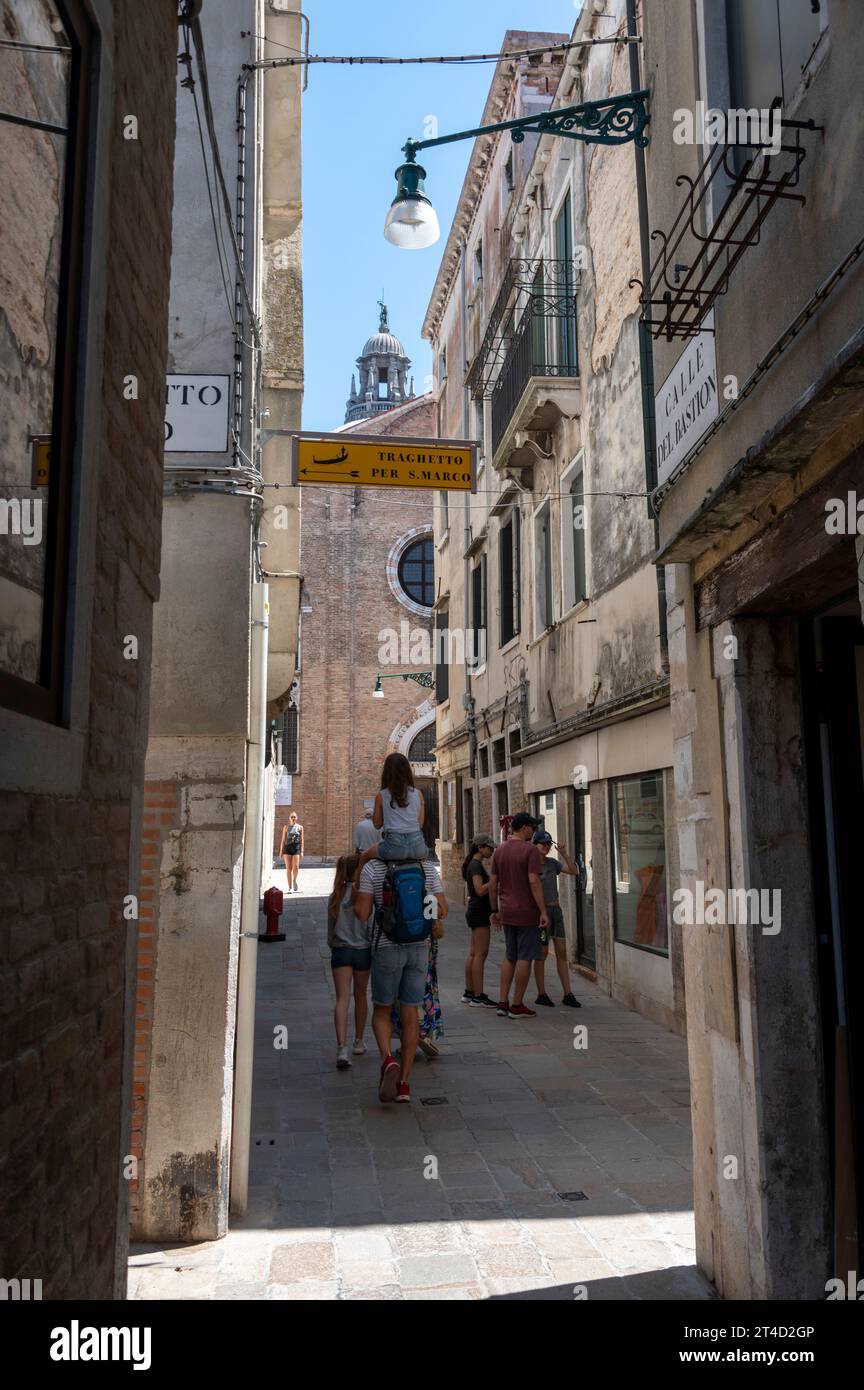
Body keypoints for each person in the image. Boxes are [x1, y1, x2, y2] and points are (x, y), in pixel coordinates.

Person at [354, 853, 448, 1104]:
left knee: (382, 1009)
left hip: (386, 947)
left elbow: (362, 913)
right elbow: (442, 910)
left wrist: (362, 868)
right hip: (419, 948)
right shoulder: (426, 868)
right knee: (410, 1013)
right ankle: (404, 1084)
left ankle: (388, 1058)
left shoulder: (373, 868)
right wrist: (420, 913)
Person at [488, 811, 549, 1019]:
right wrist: (543, 911)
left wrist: (494, 910)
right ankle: (517, 1004)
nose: (533, 832)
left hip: (506, 910)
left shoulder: (499, 850)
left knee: (510, 956)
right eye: (532, 828)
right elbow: (534, 881)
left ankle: (502, 1002)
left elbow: (493, 884)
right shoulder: (529, 851)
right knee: (526, 957)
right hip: (526, 911)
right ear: (524, 828)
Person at [326, 853, 371, 1069]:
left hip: (341, 951)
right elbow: (370, 925)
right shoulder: (365, 894)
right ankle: (359, 1041)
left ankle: (342, 1048)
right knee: (361, 995)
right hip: (363, 951)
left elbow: (329, 933)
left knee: (342, 998)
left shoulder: (335, 896)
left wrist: (335, 944)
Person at [530, 831, 582, 1008]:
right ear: (535, 845)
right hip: (541, 913)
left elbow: (574, 871)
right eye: (542, 844)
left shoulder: (553, 864)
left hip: (556, 911)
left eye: (547, 844)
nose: (545, 847)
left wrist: (564, 853)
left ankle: (568, 993)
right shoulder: (531, 866)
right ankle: (541, 993)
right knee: (542, 954)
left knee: (562, 952)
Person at [356, 753, 427, 871]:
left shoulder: (382, 795)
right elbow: (419, 825)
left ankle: (357, 887)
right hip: (418, 848)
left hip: (393, 847)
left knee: (363, 857)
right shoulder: (418, 794)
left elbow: (377, 824)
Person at [460, 835, 499, 1007]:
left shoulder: (473, 864)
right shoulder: (475, 866)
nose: (492, 851)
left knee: (473, 953)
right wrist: (492, 881)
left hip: (475, 910)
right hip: (479, 911)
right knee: (480, 954)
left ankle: (469, 992)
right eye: (490, 848)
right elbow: (479, 890)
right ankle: (478, 995)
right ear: (481, 848)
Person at [279, 811, 304, 892]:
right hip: (287, 848)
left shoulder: (300, 827)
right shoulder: (286, 827)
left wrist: (302, 851)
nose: (293, 818)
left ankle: (294, 880)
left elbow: (302, 840)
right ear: (289, 818)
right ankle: (289, 887)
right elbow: (283, 840)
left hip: (296, 847)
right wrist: (281, 851)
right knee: (289, 868)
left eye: (294, 817)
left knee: (296, 867)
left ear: (296, 818)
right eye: (292, 817)